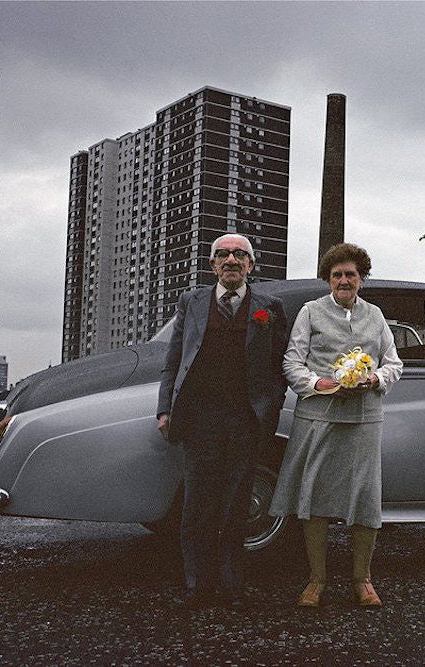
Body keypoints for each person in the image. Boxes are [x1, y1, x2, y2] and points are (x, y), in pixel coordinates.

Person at [156, 233, 288, 610]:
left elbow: (279, 366)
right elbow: (174, 360)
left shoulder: (270, 306)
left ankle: (232, 587)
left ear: (251, 264)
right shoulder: (191, 302)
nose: (231, 260)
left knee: (236, 507)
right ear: (212, 264)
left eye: (239, 254)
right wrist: (165, 409)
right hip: (200, 420)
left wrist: (271, 410)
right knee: (197, 506)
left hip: (245, 422)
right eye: (223, 255)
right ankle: (198, 586)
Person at [270, 243, 403, 607]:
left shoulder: (376, 316)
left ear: (361, 279)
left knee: (364, 499)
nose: (344, 280)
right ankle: (316, 580)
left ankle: (363, 580)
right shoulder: (310, 312)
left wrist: (374, 379)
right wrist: (319, 384)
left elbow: (394, 363)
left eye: (351, 275)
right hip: (319, 416)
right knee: (314, 498)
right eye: (337, 275)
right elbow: (292, 362)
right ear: (328, 279)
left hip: (364, 418)